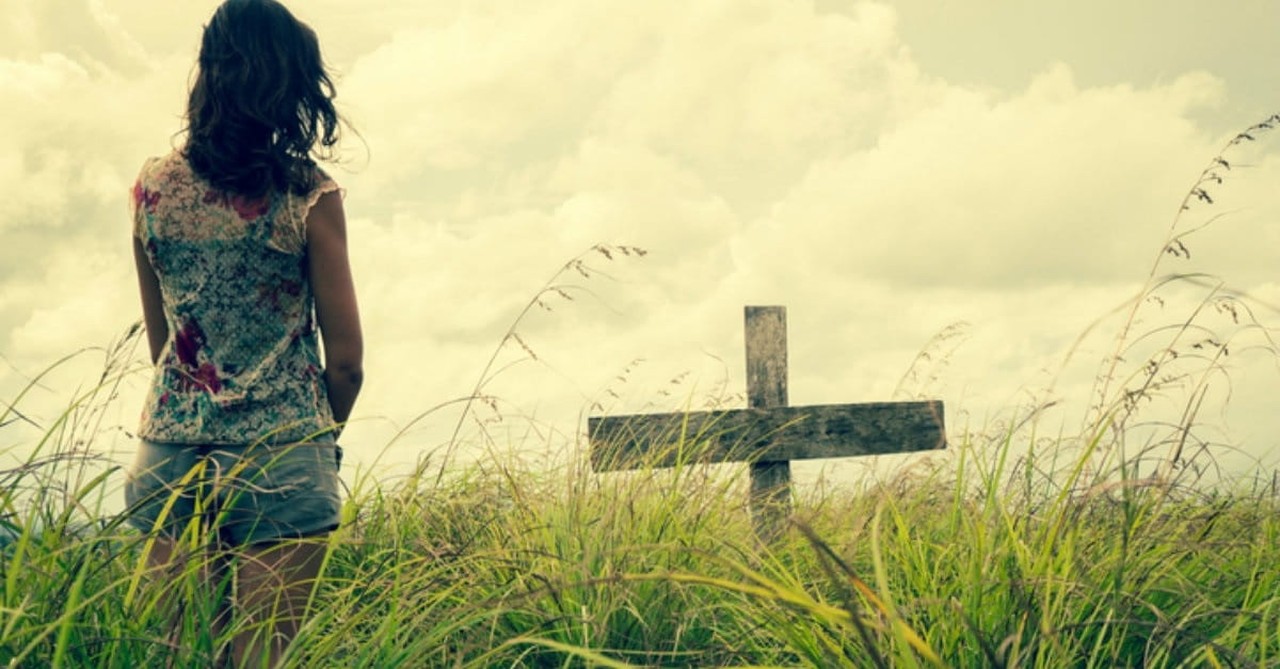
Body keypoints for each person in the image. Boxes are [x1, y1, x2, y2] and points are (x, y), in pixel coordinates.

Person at [123, 1, 362, 666]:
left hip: (170, 453)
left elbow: (163, 345)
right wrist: (312, 440)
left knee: (180, 656)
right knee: (261, 660)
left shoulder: (150, 190)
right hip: (282, 452)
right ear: (287, 83)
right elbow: (346, 364)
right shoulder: (308, 193)